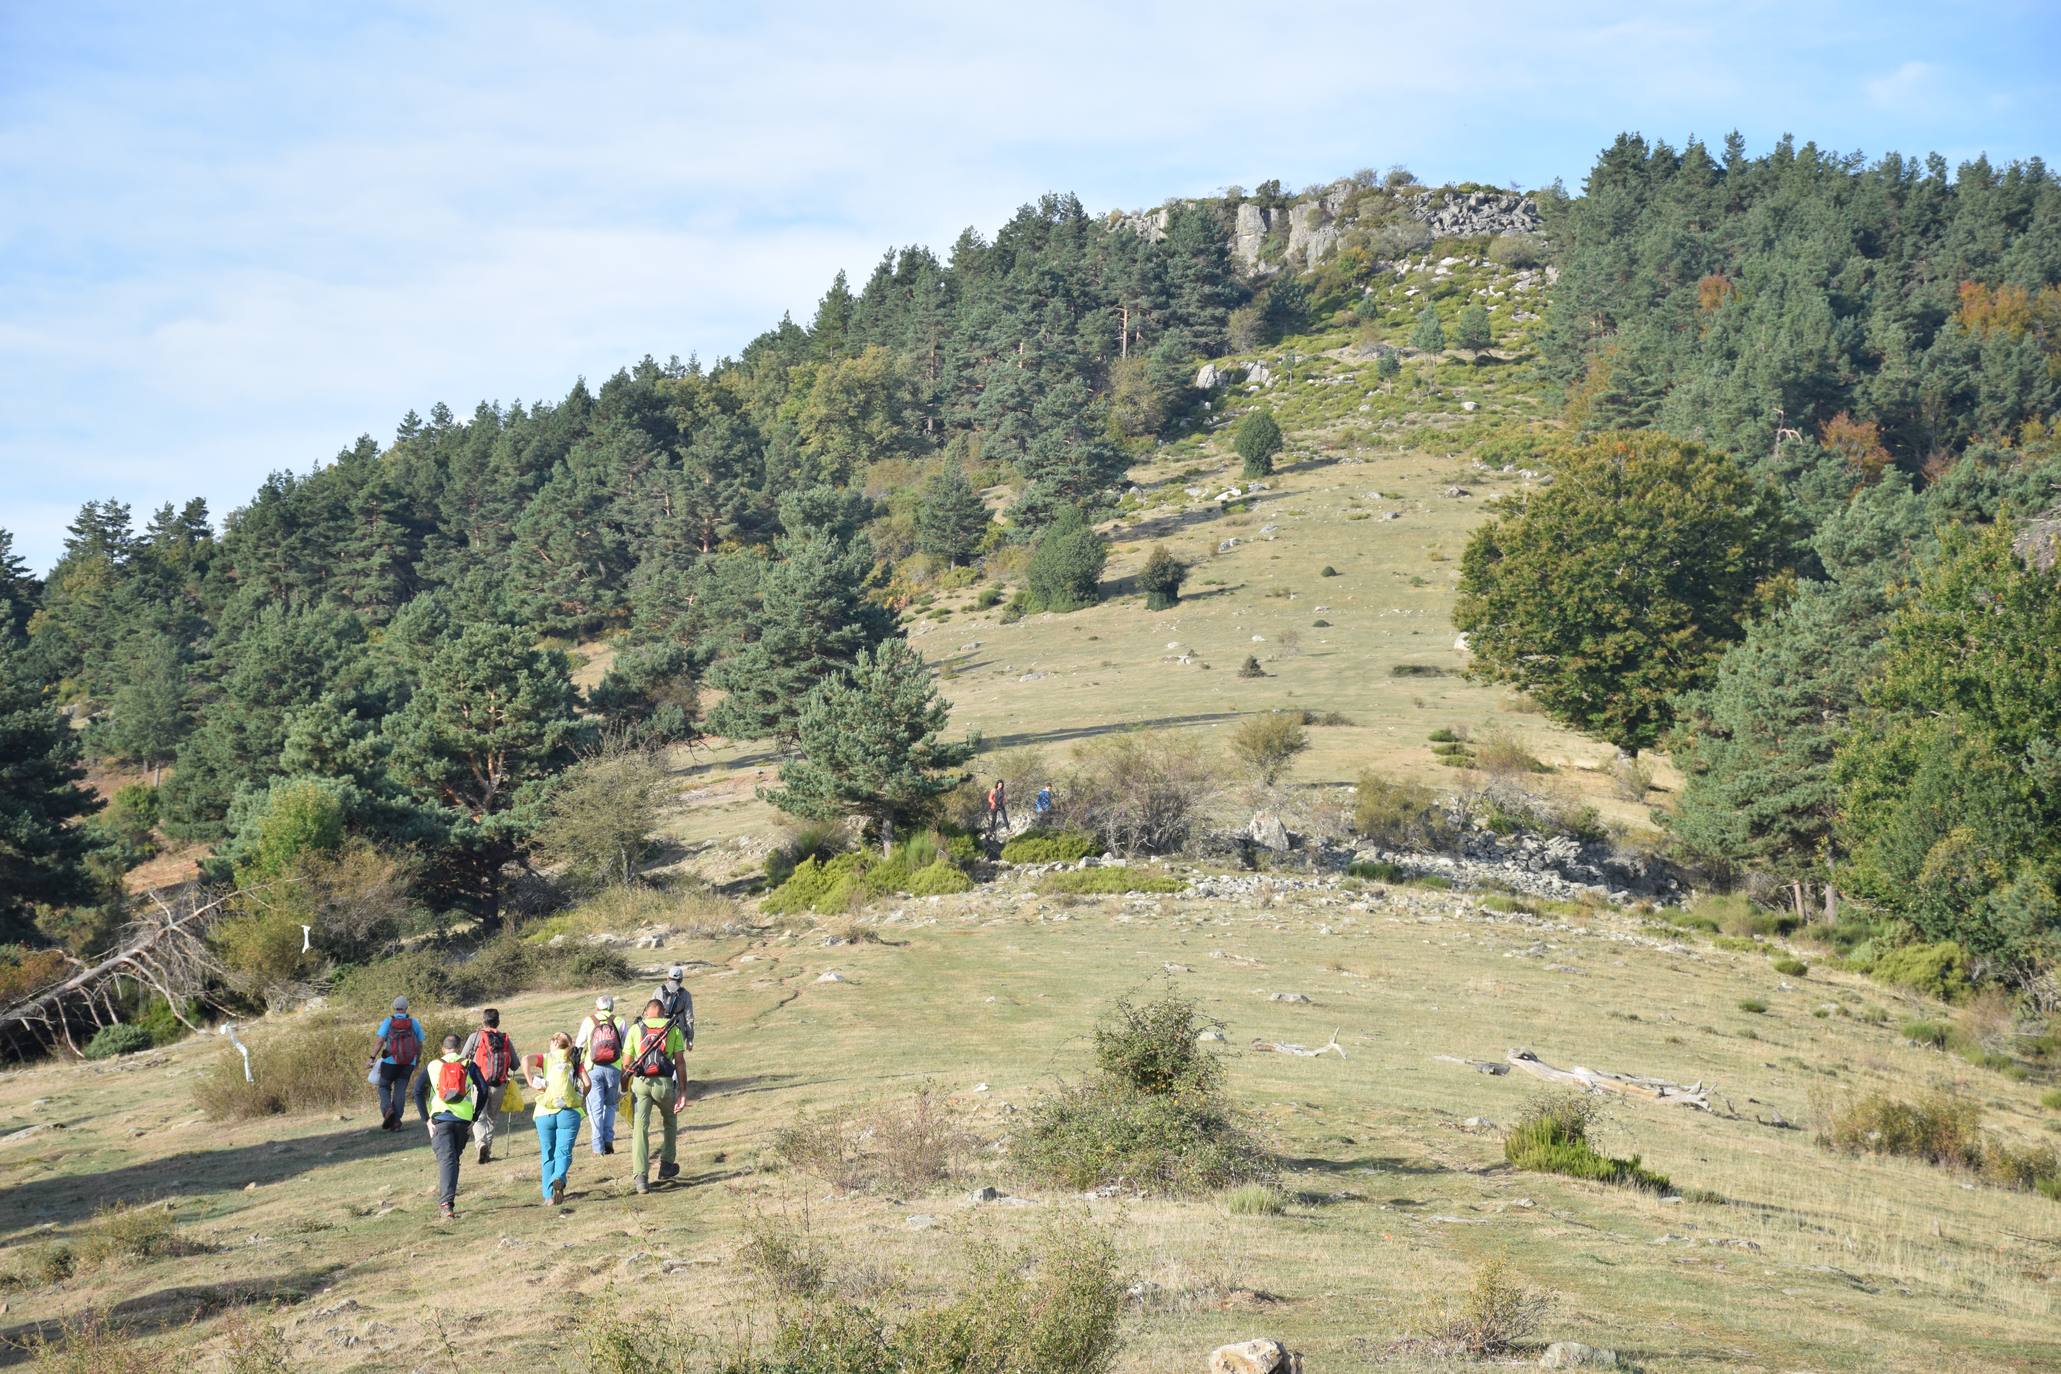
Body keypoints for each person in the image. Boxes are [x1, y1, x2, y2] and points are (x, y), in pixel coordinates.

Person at [624, 997, 688, 1194]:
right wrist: (683, 1092)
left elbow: (626, 1064)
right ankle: (667, 1164)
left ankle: (641, 1177)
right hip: (664, 1083)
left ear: (646, 1011)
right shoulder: (673, 1028)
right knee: (670, 1120)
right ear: (662, 1012)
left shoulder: (636, 1028)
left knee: (640, 1128)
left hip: (641, 1083)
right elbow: (680, 1063)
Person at [424, 1033, 487, 1220]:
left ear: (443, 1049)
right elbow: (483, 1089)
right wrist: (475, 1117)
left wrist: (425, 1119)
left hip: (440, 1119)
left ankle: (446, 1204)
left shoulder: (433, 1065)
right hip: (463, 1120)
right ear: (458, 1048)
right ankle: (447, 1202)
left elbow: (419, 1090)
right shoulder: (468, 1064)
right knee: (453, 1159)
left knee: (447, 1160)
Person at [527, 1032, 587, 1206]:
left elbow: (525, 1060)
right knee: (563, 1151)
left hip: (544, 1113)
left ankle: (548, 1196)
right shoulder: (575, 1061)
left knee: (547, 1153)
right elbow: (588, 1083)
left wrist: (531, 1081)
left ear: (553, 1044)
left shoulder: (545, 1058)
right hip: (569, 1113)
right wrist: (579, 1099)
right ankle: (559, 1177)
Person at [459, 1008, 518, 1164]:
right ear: (498, 1021)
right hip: (499, 1084)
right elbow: (516, 1065)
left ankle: (481, 1144)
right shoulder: (505, 1038)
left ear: (483, 1021)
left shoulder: (476, 1037)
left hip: (479, 1084)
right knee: (492, 1118)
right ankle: (488, 1151)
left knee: (479, 1117)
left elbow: (462, 1059)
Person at [575, 994, 629, 1156]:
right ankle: (608, 1141)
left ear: (597, 1007)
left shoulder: (589, 1020)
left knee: (595, 1108)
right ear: (611, 1007)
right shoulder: (619, 1021)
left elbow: (578, 1045)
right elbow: (626, 1048)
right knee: (611, 1105)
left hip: (592, 1068)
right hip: (614, 1068)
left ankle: (597, 1147)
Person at [370, 996, 426, 1132]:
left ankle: (387, 1110)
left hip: (390, 1062)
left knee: (384, 1086)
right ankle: (396, 1122)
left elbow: (379, 1042)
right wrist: (417, 1060)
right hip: (408, 1062)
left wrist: (371, 1057)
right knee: (400, 1091)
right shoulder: (414, 1022)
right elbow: (419, 1044)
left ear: (394, 1007)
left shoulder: (388, 1021)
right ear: (406, 1008)